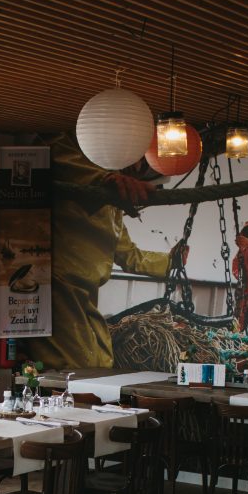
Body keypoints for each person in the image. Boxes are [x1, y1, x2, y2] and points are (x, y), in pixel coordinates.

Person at [27, 132, 174, 369]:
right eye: (141, 164)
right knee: (75, 364)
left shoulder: (113, 211)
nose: (138, 171)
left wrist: (172, 262)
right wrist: (104, 180)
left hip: (86, 293)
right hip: (57, 284)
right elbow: (53, 147)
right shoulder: (73, 157)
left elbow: (130, 256)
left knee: (102, 361)